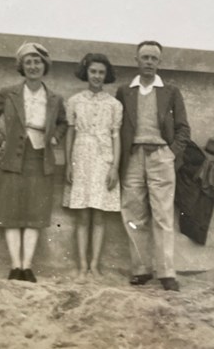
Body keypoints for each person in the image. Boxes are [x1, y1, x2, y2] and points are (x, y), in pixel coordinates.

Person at [0, 42, 67, 282]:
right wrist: (1, 140)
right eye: (28, 62)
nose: (33, 66)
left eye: (37, 61)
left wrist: (55, 138)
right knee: (10, 212)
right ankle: (14, 266)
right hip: (11, 159)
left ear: (44, 65)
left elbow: (63, 122)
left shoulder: (54, 98)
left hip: (40, 160)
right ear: (21, 66)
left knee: (33, 214)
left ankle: (27, 267)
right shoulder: (9, 93)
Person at [116, 40, 190, 291]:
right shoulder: (125, 91)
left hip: (161, 156)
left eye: (153, 58)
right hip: (133, 157)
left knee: (163, 214)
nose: (148, 62)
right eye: (144, 57)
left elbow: (183, 129)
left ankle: (167, 272)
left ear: (159, 62)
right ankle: (141, 270)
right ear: (137, 60)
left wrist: (170, 153)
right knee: (134, 215)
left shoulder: (170, 91)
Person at [63, 53, 123, 281]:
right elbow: (70, 132)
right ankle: (81, 266)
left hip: (103, 159)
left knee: (99, 216)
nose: (97, 76)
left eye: (101, 72)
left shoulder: (114, 104)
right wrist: (69, 163)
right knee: (82, 217)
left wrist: (115, 166)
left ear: (106, 75)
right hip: (81, 158)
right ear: (86, 73)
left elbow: (116, 136)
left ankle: (95, 266)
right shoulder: (75, 101)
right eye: (93, 71)